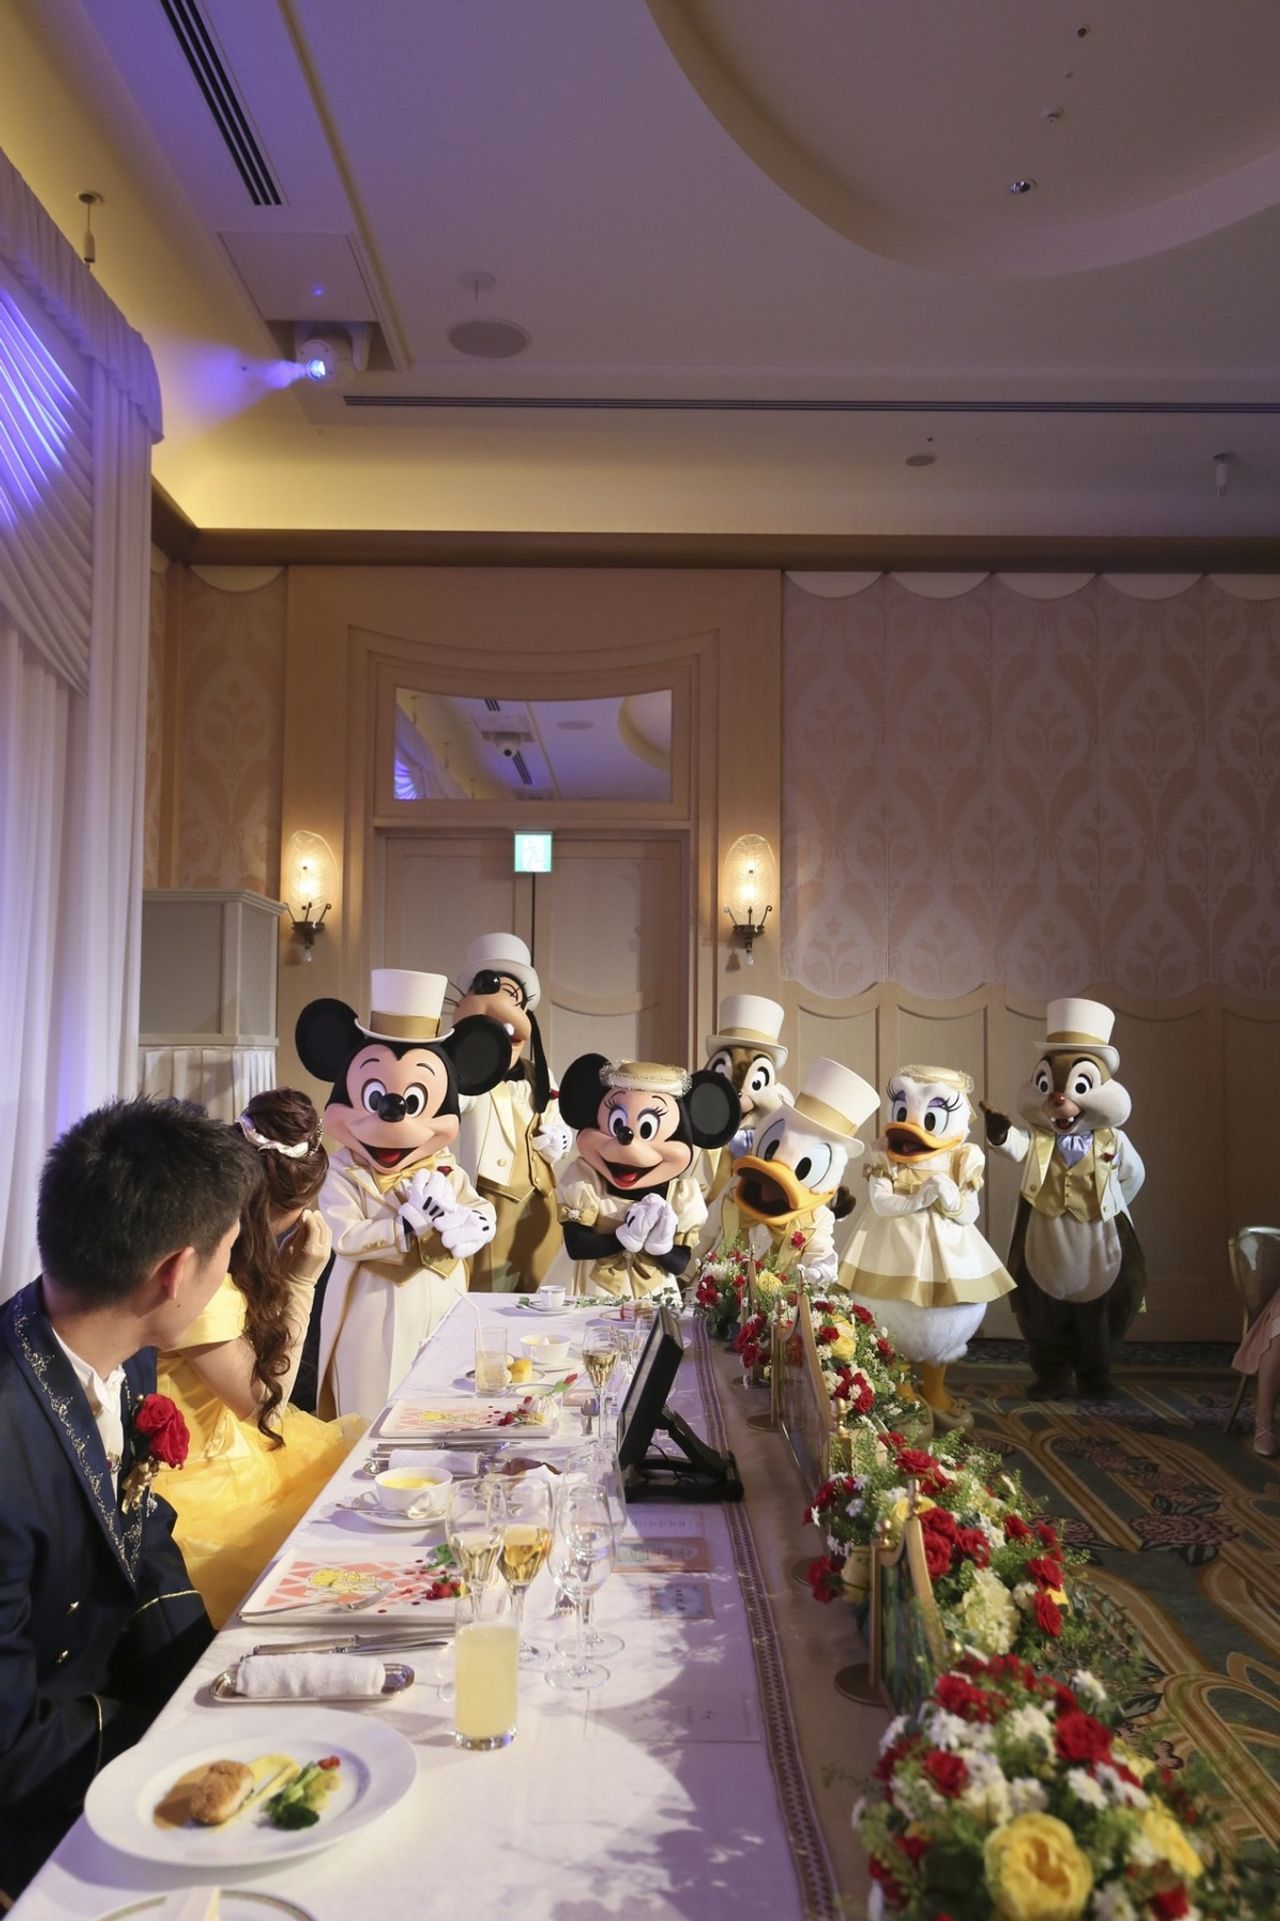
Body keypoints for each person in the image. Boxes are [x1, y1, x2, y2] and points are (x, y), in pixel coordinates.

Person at [0, 1097, 256, 1899]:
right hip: (37, 1802)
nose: (226, 1277)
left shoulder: (123, 1345)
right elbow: (8, 1742)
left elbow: (141, 1540)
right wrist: (172, 1746)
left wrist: (215, 1689)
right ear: (175, 1273)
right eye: (227, 1257)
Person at [155, 1090, 364, 1626]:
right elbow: (265, 1405)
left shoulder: (208, 1239)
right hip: (191, 1478)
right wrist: (301, 1283)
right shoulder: (199, 1283)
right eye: (296, 1214)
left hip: (232, 1447)